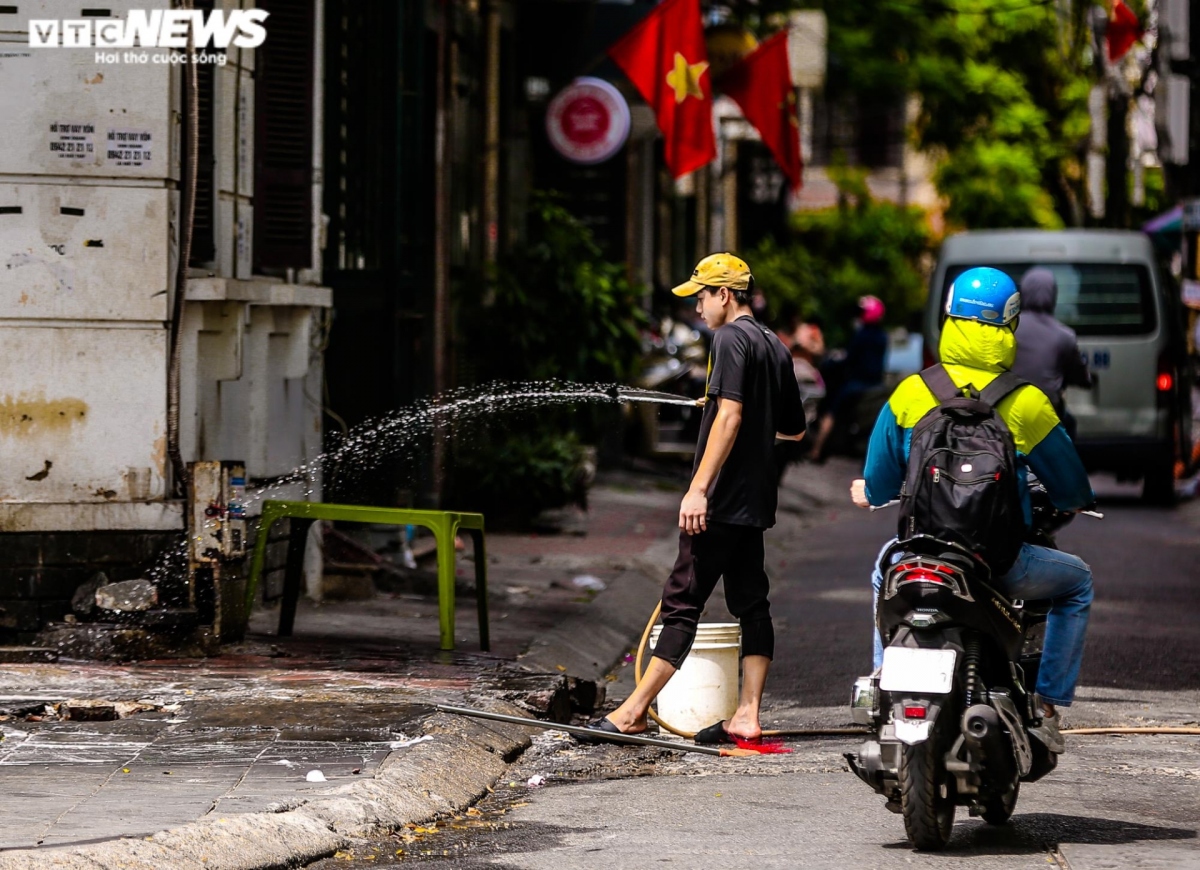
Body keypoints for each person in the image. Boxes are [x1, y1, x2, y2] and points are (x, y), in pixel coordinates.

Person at [849, 266, 1095, 752]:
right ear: (1010, 325)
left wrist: (870, 492)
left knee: (884, 571)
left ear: (948, 318)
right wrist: (1069, 500)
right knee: (1077, 583)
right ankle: (1046, 703)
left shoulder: (911, 394)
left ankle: (883, 678)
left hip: (922, 556)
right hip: (1000, 563)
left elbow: (878, 485)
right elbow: (1070, 488)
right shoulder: (1026, 403)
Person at [583, 253, 806, 744]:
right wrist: (735, 404)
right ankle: (746, 714)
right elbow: (793, 429)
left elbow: (730, 418)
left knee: (682, 602)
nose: (698, 308)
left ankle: (633, 711)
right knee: (752, 603)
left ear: (724, 294)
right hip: (755, 500)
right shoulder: (775, 346)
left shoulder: (728, 339)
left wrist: (698, 489)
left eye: (702, 296)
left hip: (721, 499)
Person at [1012, 267, 1092, 439]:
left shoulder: (1008, 329)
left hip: (1009, 408)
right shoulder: (1063, 335)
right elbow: (1079, 373)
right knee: (1069, 424)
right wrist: (1086, 380)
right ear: (1053, 295)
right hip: (1046, 412)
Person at [807, 295, 888, 461]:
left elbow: (850, 359)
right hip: (875, 383)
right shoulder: (882, 336)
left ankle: (816, 449)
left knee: (831, 411)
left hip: (857, 384)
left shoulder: (862, 335)